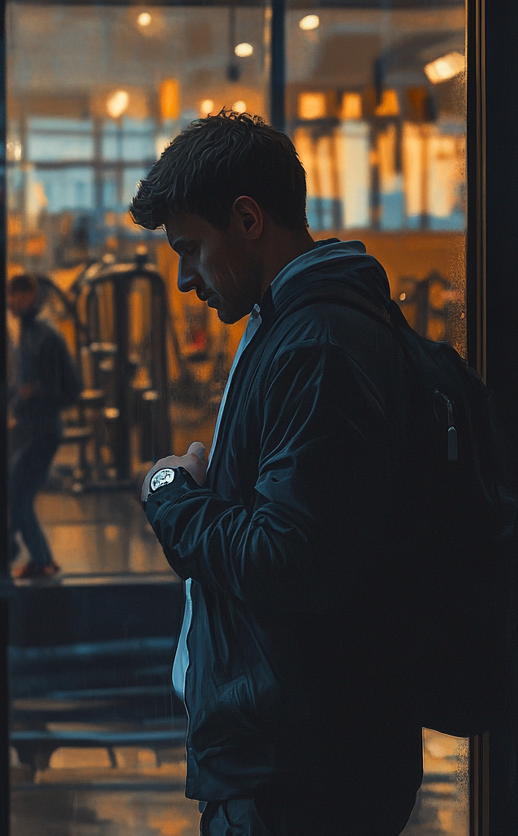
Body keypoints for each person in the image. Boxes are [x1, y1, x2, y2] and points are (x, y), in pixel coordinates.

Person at [129, 110, 425, 835]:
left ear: (249, 218)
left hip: (296, 776)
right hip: (287, 759)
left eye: (191, 248)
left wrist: (170, 492)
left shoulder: (318, 344)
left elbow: (285, 558)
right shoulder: (293, 325)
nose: (183, 276)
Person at [7, 273, 81, 579]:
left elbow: (64, 390)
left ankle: (43, 560)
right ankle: (26, 553)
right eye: (10, 296)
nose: (12, 302)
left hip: (43, 432)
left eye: (18, 296)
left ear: (31, 298)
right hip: (29, 429)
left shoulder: (46, 336)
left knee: (20, 497)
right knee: (14, 492)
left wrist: (32, 393)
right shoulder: (27, 332)